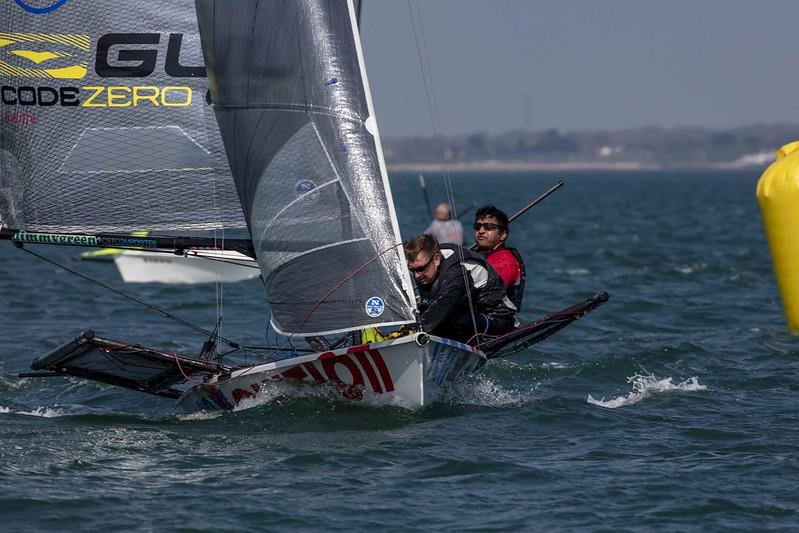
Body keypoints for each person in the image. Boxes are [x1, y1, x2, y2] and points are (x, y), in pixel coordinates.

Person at [404, 233, 516, 343]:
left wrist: (412, 331)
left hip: (497, 319)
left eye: (421, 269)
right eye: (413, 270)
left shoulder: (458, 274)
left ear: (436, 259)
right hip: (463, 310)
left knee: (451, 322)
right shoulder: (427, 263)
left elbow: (440, 308)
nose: (417, 275)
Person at [472, 205, 526, 310]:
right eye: (477, 226)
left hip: (496, 319)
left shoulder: (505, 260)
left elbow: (490, 297)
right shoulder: (474, 255)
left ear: (502, 235)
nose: (481, 231)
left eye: (488, 227)